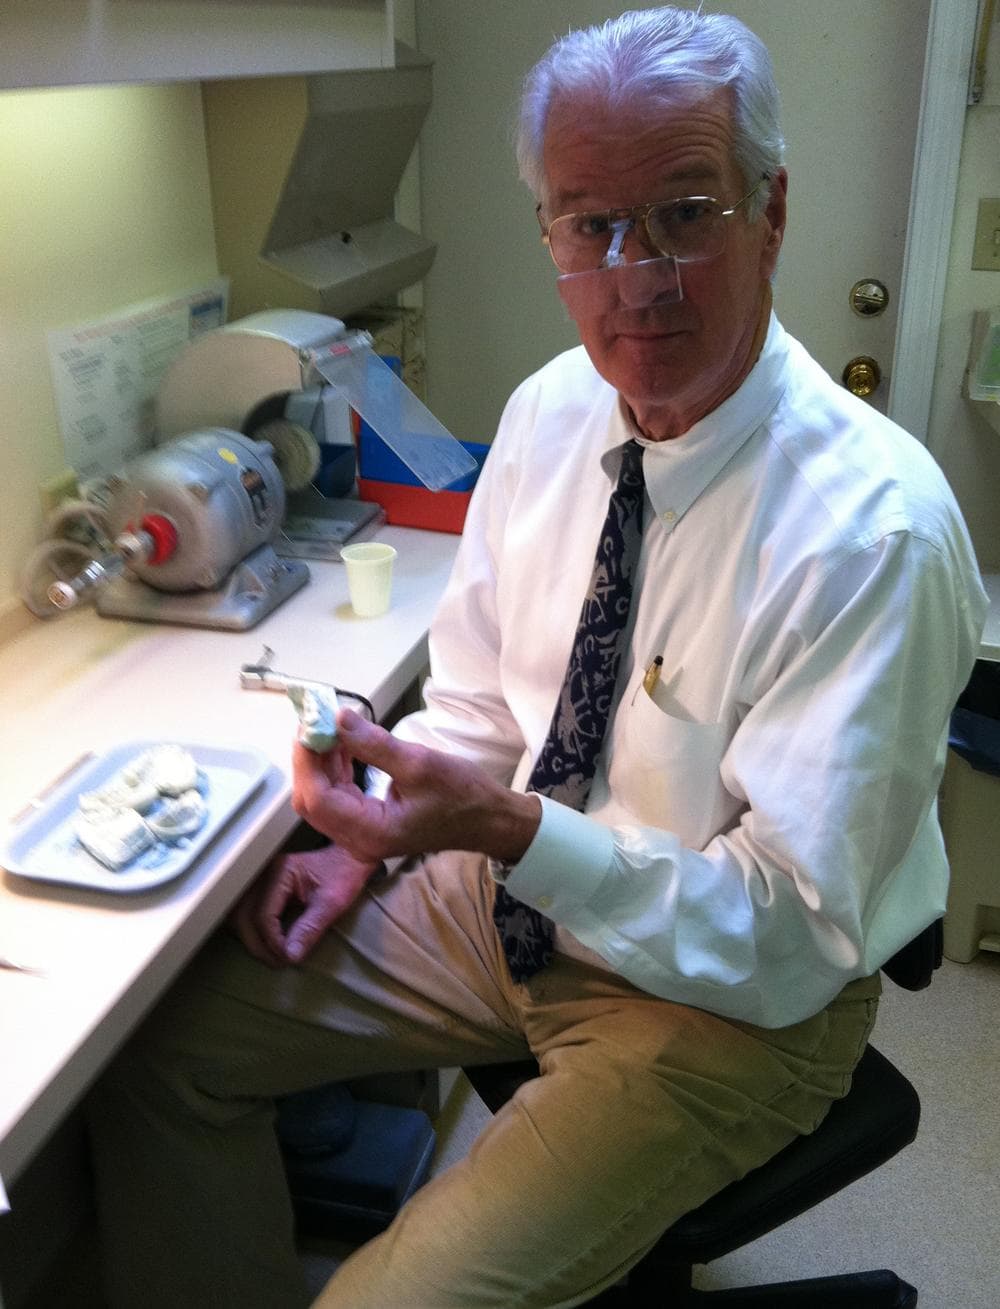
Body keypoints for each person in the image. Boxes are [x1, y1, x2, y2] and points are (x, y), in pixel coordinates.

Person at [87, 8, 988, 1308]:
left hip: (736, 1004)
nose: (636, 278)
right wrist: (378, 826)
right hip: (512, 903)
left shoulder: (875, 533)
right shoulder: (551, 411)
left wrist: (512, 832)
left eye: (686, 213)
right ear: (551, 234)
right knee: (159, 1048)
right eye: (589, 225)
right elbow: (478, 702)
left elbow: (791, 928)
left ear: (771, 211)